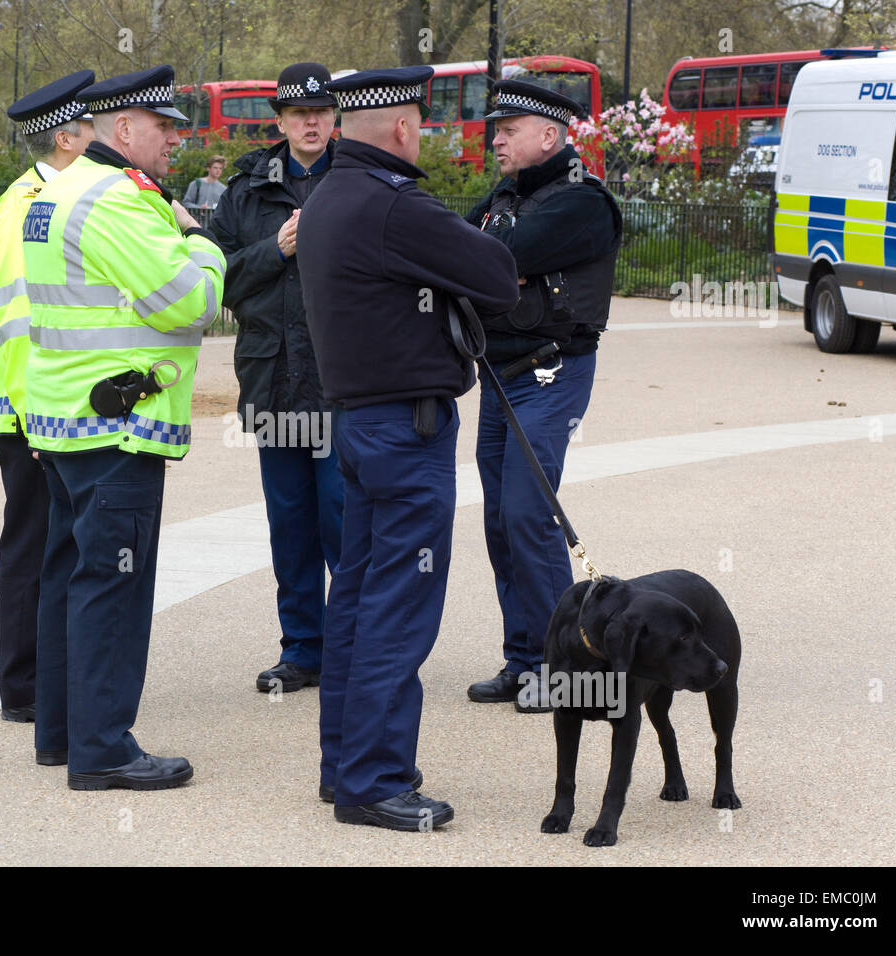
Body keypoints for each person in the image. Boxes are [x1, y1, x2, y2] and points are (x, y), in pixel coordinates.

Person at [300, 67, 519, 830]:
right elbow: (499, 275)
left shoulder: (328, 195)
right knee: (398, 609)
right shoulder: (393, 203)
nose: (421, 136)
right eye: (419, 124)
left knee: (358, 602)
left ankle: (346, 764)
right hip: (407, 430)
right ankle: (375, 779)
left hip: (361, 427)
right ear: (400, 127)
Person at [21, 65, 225, 790]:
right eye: (165, 127)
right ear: (124, 129)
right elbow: (189, 304)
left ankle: (62, 735)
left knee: (70, 577)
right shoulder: (121, 201)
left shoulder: (59, 189)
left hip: (65, 418)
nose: (177, 140)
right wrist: (202, 242)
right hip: (118, 426)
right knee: (114, 584)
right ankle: (103, 749)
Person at [462, 80, 623, 711]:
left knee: (529, 516)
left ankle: (570, 668)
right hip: (501, 375)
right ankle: (524, 659)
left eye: (507, 129)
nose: (494, 137)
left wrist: (484, 257)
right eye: (495, 129)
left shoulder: (580, 204)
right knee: (501, 521)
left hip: (550, 373)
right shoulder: (508, 194)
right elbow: (465, 248)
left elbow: (494, 256)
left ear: (549, 135)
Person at [211, 62, 342, 695]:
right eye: (299, 114)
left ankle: (350, 649)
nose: (311, 122)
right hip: (273, 381)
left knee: (345, 524)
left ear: (334, 117)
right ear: (281, 121)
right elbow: (218, 280)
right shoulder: (246, 190)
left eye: (320, 112)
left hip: (342, 382)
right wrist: (277, 250)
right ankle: (302, 651)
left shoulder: (359, 177)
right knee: (290, 526)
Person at [0, 71, 95, 725]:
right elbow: (22, 322)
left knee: (42, 541)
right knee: (33, 543)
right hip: (28, 410)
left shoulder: (45, 198)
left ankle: (36, 678)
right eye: (94, 129)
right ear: (68, 136)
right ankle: (24, 685)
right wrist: (39, 416)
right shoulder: (29, 206)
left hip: (28, 404)